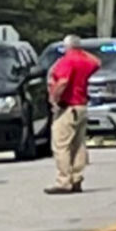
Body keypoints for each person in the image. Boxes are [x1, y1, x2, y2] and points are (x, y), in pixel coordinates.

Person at [46, 33, 100, 195]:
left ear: (66, 46)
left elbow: (63, 82)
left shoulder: (67, 61)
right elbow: (97, 62)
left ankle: (63, 181)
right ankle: (77, 178)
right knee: (78, 145)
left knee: (60, 144)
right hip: (82, 106)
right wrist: (80, 50)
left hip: (68, 107)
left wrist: (53, 98)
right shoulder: (85, 60)